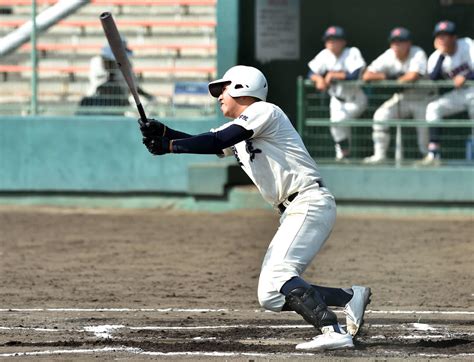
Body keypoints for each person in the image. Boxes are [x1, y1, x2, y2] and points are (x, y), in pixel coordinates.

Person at [139, 65, 371, 350]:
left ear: (242, 87)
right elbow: (211, 142)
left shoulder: (265, 111)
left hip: (308, 201)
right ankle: (348, 297)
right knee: (270, 295)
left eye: (223, 88)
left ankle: (332, 329)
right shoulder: (241, 127)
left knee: (280, 274)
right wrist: (162, 131)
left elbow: (216, 140)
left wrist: (169, 145)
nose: (219, 95)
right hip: (292, 210)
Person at [362, 27, 431, 164]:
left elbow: (413, 76)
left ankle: (428, 157)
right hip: (402, 97)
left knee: (423, 129)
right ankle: (380, 155)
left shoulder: (417, 53)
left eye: (401, 41)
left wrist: (395, 80)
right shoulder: (389, 55)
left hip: (423, 98)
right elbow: (367, 75)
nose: (396, 45)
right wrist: (387, 76)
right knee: (381, 116)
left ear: (409, 43)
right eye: (394, 41)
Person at [307, 26, 367, 162]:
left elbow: (355, 74)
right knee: (337, 124)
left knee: (339, 121)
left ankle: (344, 153)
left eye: (335, 40)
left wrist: (333, 74)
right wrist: (318, 79)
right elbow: (310, 73)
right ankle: (342, 155)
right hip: (336, 100)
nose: (331, 43)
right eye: (329, 40)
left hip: (355, 98)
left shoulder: (352, 52)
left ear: (343, 42)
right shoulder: (324, 54)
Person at [419, 20, 474, 166]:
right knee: (433, 108)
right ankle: (434, 154)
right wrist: (442, 54)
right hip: (460, 94)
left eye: (446, 35)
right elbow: (434, 78)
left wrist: (466, 76)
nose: (441, 39)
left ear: (454, 37)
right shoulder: (436, 56)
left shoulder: (467, 45)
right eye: (439, 35)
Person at [78, 40, 155, 115]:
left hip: (121, 100)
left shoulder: (126, 64)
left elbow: (133, 85)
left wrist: (148, 96)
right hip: (99, 99)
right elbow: (101, 84)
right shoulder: (97, 61)